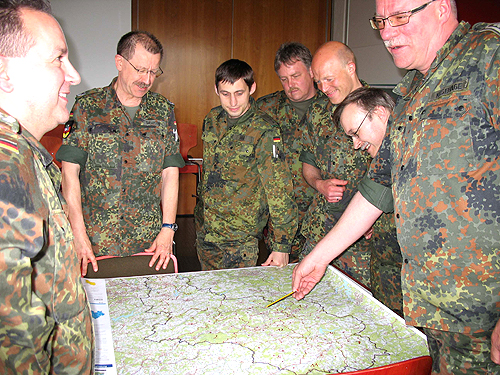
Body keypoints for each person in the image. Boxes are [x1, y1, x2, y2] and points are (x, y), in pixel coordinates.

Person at [293, 0, 500, 373]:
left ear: (440, 8)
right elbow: (377, 188)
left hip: (485, 312)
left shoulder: (489, 56)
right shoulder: (411, 93)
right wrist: (319, 257)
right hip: (436, 308)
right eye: (381, 21)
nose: (387, 33)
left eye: (400, 17)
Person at [0, 0, 93, 373]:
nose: (74, 75)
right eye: (58, 59)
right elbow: (13, 346)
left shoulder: (25, 155)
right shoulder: (6, 167)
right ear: (5, 71)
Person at [57, 31, 185, 276]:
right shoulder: (87, 106)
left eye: (153, 72)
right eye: (140, 69)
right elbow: (69, 173)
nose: (146, 79)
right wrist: (78, 233)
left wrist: (168, 228)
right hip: (95, 241)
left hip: (149, 241)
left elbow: (170, 173)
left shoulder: (162, 111)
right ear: (119, 62)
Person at [195, 59, 298, 270]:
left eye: (239, 93)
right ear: (216, 89)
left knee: (237, 299)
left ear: (252, 88)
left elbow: (278, 189)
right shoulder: (212, 119)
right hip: (207, 232)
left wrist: (282, 245)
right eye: (225, 93)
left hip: (239, 239)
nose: (233, 102)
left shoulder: (265, 130)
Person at [299, 41, 373, 287]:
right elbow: (307, 163)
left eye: (329, 79)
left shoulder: (382, 110)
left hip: (362, 243)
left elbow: (395, 178)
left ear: (350, 67)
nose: (324, 88)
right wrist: (319, 184)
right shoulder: (317, 111)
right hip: (319, 229)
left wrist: (375, 219)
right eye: (318, 81)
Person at [332, 87, 403, 316]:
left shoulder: (414, 154)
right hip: (386, 280)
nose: (355, 144)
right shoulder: (382, 157)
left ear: (381, 113)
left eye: (356, 133)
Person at [257, 42, 318, 262]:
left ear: (312, 72)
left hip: (320, 213)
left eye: (295, 76)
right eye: (284, 79)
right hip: (281, 216)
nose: (290, 85)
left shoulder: (332, 106)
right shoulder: (266, 108)